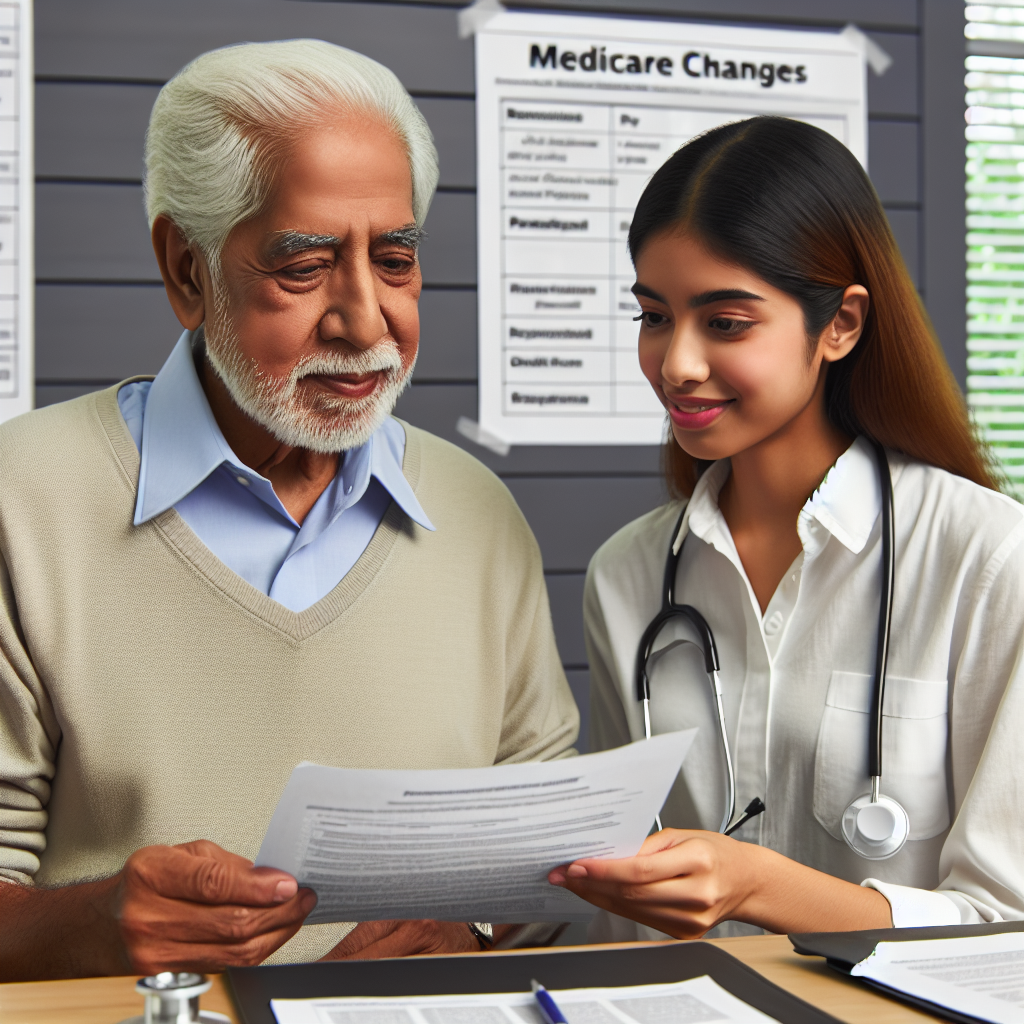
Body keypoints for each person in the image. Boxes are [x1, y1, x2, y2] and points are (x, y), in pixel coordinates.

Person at [0, 39, 578, 980]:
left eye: (394, 259)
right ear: (186, 270)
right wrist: (98, 925)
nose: (366, 321)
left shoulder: (479, 512)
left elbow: (546, 846)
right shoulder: (20, 500)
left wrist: (474, 928)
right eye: (304, 266)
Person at [547, 116, 1024, 939]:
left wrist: (757, 887)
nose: (676, 364)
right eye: (654, 316)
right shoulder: (627, 575)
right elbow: (621, 903)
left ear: (839, 323)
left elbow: (1004, 923)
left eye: (725, 322)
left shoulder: (989, 560)